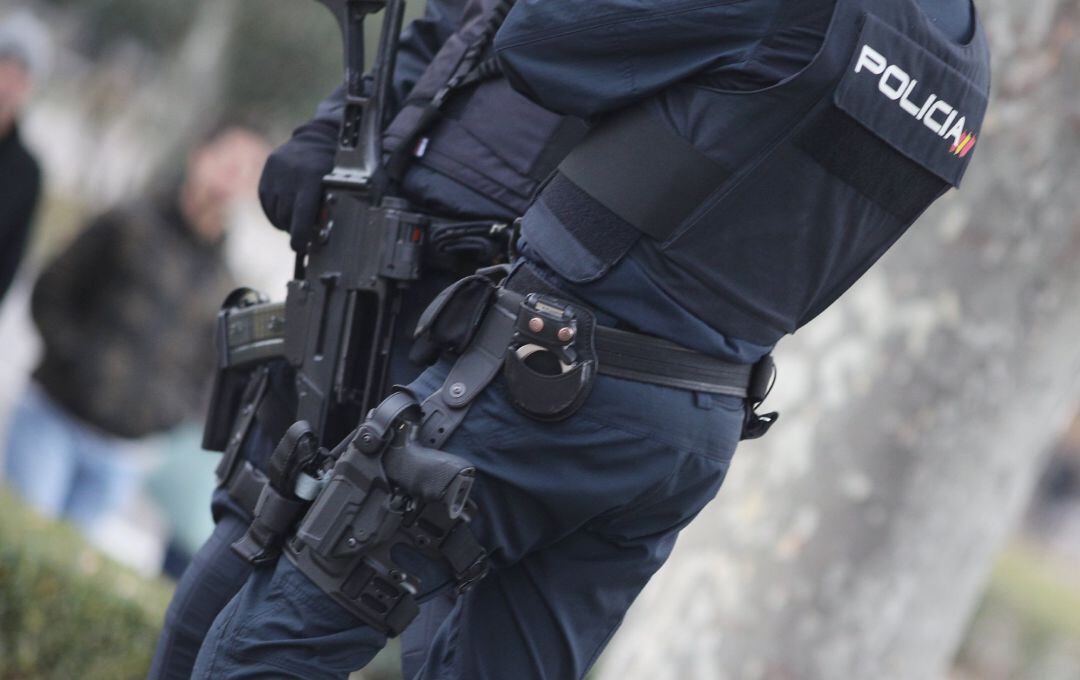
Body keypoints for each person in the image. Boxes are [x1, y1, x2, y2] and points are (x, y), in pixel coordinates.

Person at [193, 0, 990, 678]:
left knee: (264, 650)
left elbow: (540, 42)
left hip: (549, 387)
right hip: (691, 432)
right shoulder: (967, 73)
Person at [149, 1, 586, 677]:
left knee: (361, 615)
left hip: (488, 329)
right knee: (210, 600)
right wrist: (330, 131)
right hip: (369, 280)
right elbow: (443, 33)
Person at [2, 124, 267, 538]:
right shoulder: (128, 222)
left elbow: (211, 374)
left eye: (249, 171)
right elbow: (52, 291)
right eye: (228, 161)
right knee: (20, 543)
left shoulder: (225, 284)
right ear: (199, 155)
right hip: (54, 417)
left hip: (123, 454)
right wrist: (77, 362)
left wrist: (167, 414)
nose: (232, 178)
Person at [0, 12, 49, 303]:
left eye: (20, 76)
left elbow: (9, 260)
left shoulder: (27, 173)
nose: (7, 85)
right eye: (4, 67)